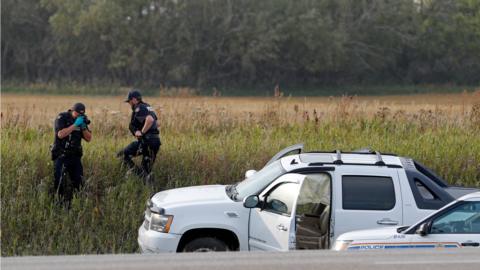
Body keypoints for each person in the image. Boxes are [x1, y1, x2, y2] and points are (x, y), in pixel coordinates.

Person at [51, 103, 92, 203]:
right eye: (77, 114)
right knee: (59, 181)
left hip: (75, 156)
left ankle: (75, 204)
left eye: (81, 115)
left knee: (79, 182)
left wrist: (83, 127)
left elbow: (88, 138)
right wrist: (74, 125)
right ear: (72, 111)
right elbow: (60, 134)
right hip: (61, 155)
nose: (79, 116)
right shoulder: (62, 117)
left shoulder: (81, 120)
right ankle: (58, 204)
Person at [120, 89, 161, 183]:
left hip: (147, 141)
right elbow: (157, 123)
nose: (129, 104)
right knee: (147, 169)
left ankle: (140, 175)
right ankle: (148, 185)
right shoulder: (148, 107)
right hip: (155, 142)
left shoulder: (139, 108)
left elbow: (150, 120)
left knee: (124, 154)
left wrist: (141, 132)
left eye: (129, 101)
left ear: (134, 99)